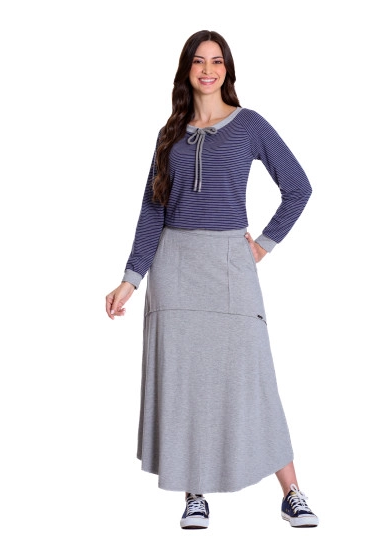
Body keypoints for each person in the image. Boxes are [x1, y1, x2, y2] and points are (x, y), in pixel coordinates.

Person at [105, 29, 318, 530]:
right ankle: (194, 494)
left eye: (216, 61)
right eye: (199, 61)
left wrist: (263, 244)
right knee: (185, 382)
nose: (208, 69)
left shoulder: (250, 125)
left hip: (229, 264)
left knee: (254, 376)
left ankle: (291, 492)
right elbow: (152, 211)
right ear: (187, 69)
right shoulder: (170, 133)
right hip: (175, 266)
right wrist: (131, 279)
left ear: (227, 69)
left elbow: (298, 187)